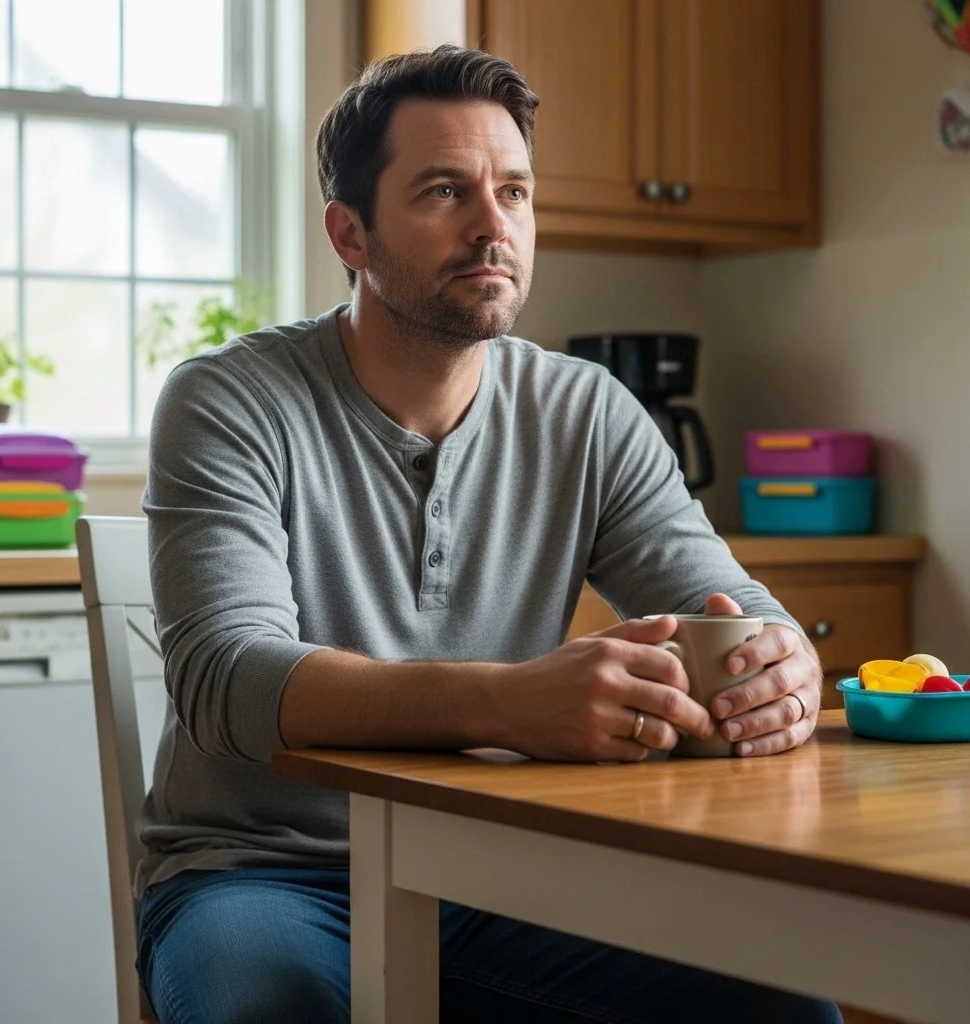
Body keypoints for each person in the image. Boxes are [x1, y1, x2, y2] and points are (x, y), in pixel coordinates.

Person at [138, 43, 841, 1024]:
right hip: (266, 878)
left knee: (780, 1008)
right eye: (442, 191)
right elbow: (229, 679)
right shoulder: (230, 400)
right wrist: (507, 704)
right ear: (350, 232)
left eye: (513, 190)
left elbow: (727, 607)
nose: (491, 226)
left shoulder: (585, 411)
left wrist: (784, 667)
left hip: (504, 872)